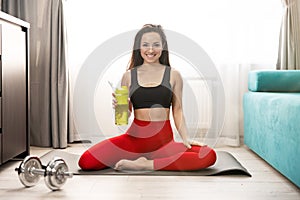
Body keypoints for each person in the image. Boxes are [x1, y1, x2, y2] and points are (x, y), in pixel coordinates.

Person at [78, 24, 217, 171]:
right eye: (145, 45)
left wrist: (185, 138)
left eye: (156, 45)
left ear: (163, 47)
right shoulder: (128, 76)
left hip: (164, 144)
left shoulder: (173, 75)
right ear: (138, 47)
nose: (150, 50)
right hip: (134, 141)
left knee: (209, 155)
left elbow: (178, 110)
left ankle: (145, 164)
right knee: (86, 161)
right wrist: (123, 107)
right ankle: (153, 161)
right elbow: (123, 117)